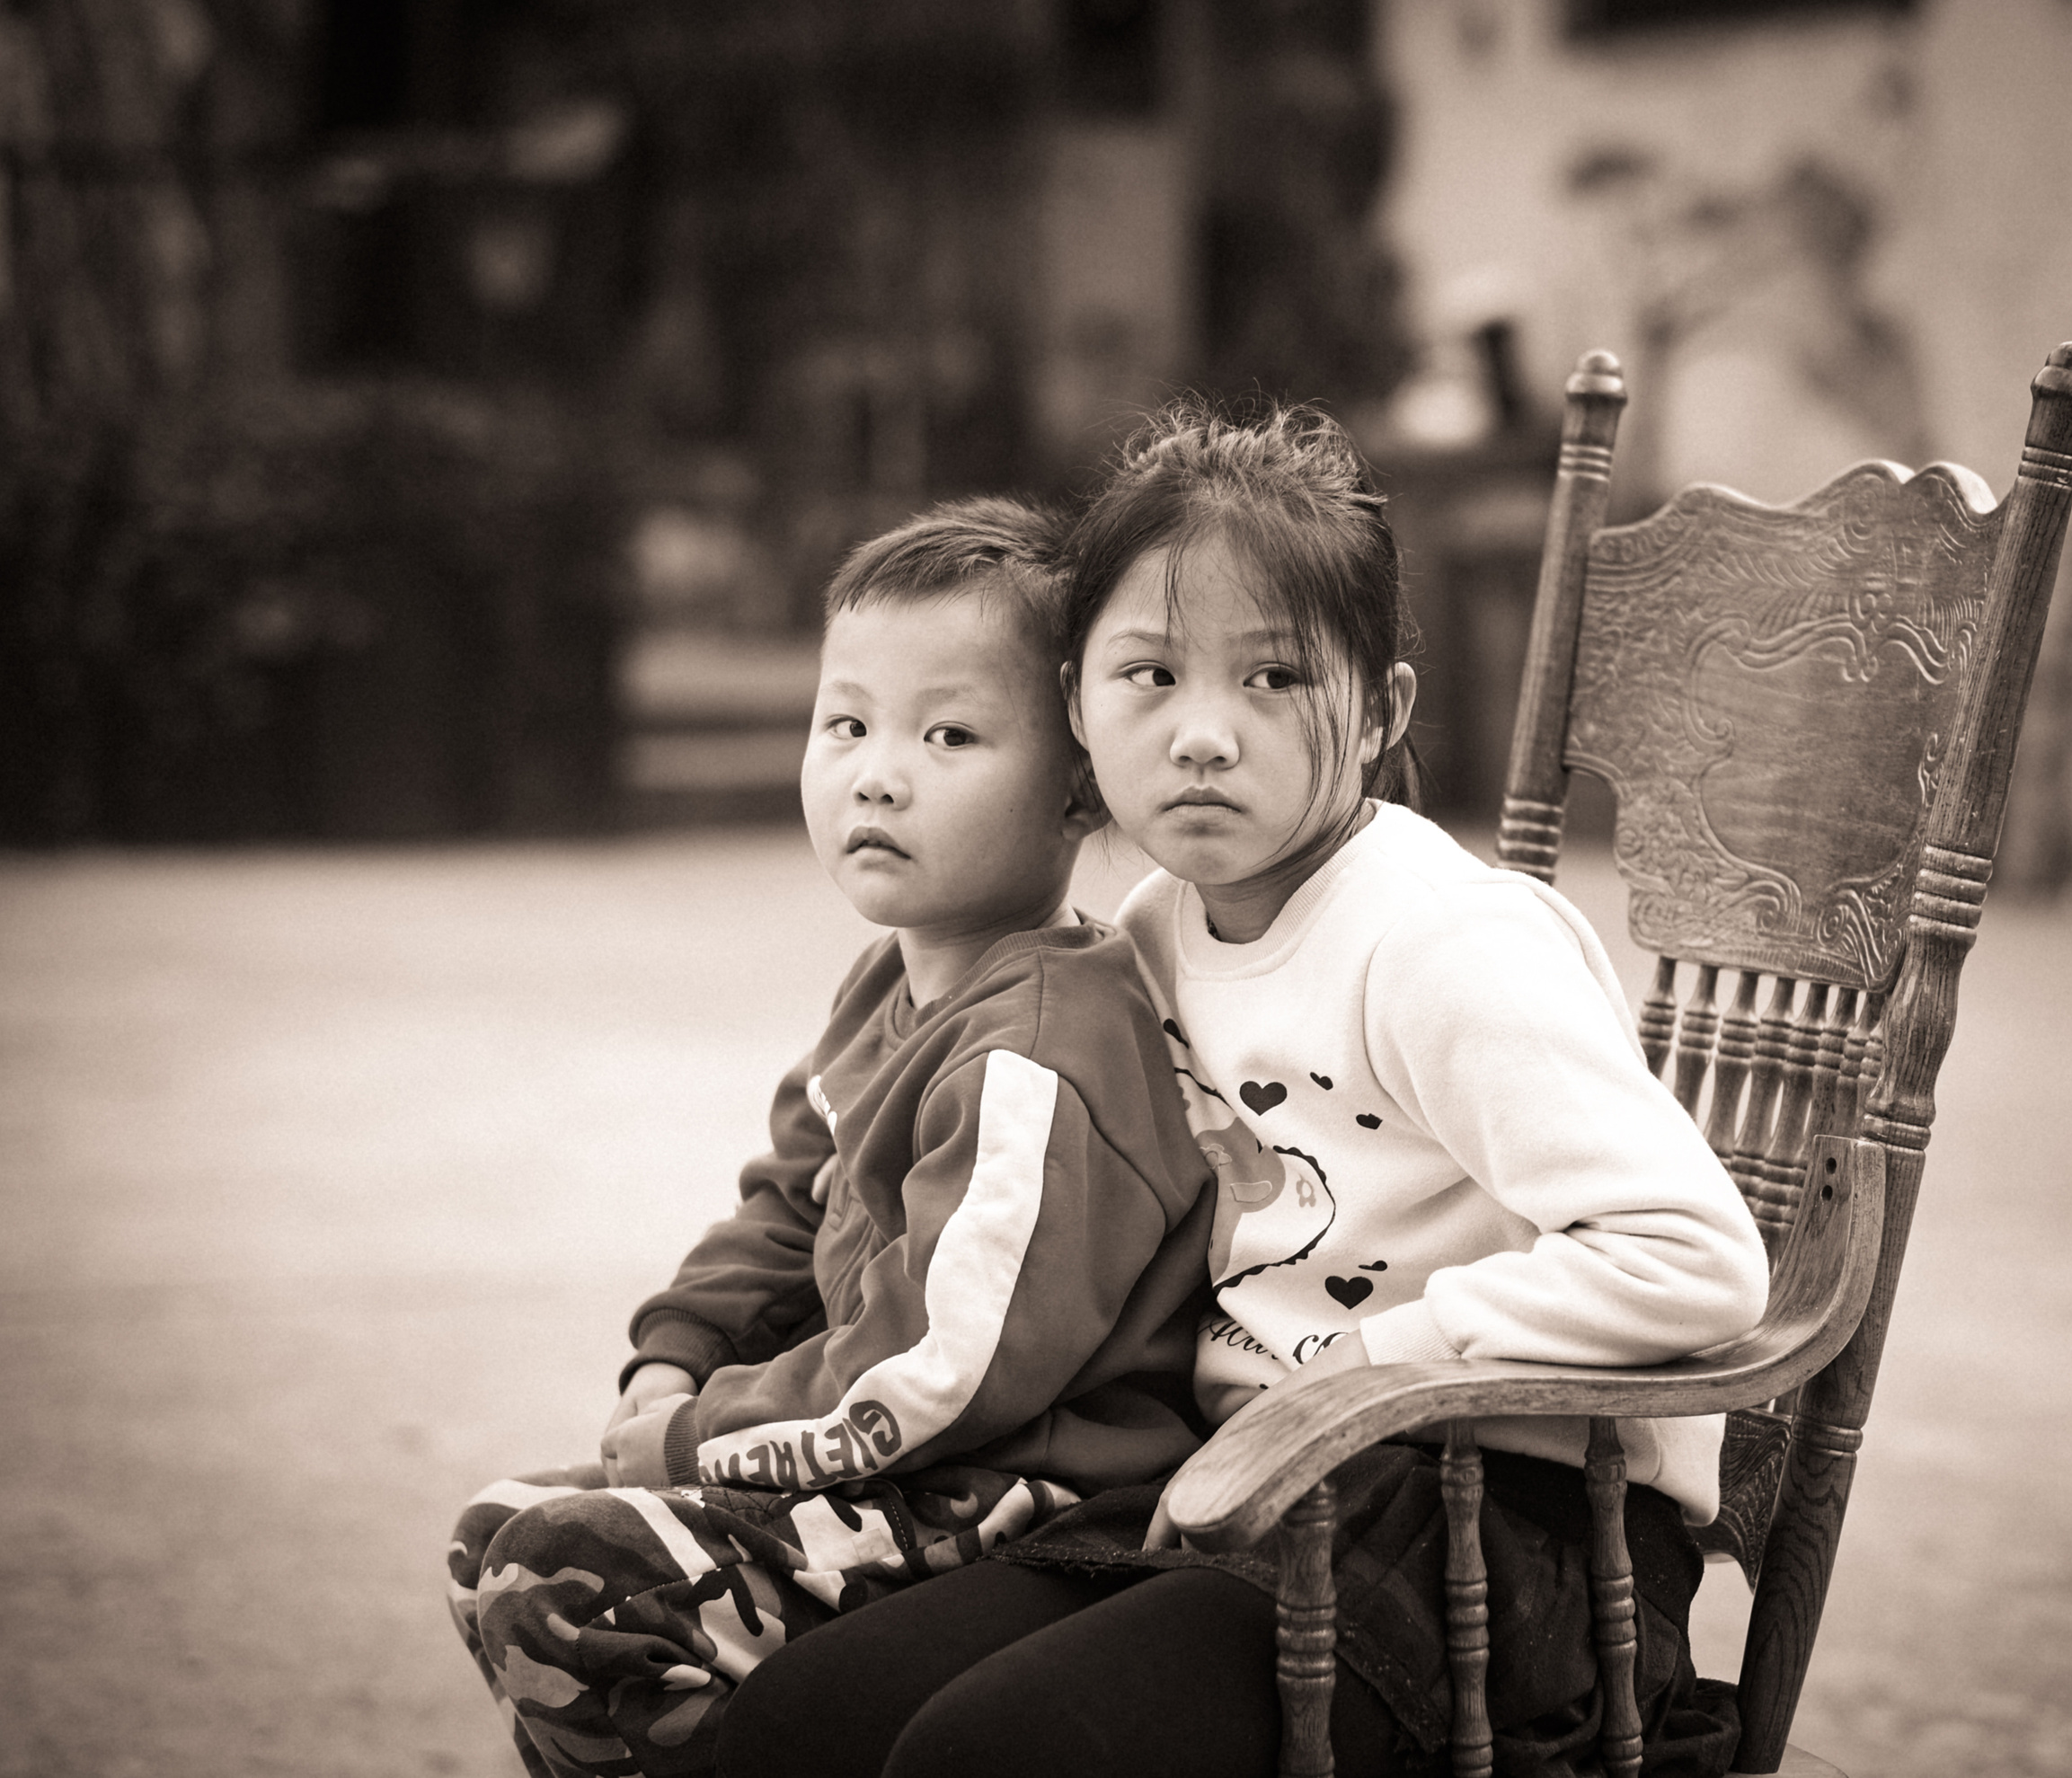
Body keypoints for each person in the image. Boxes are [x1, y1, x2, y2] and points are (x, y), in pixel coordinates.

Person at [714, 403, 1772, 1778]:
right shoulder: (1154, 932)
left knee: (992, 1754)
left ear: (1383, 711)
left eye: (1275, 679)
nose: (1204, 734)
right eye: (1148, 676)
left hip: (1495, 1519)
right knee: (802, 1720)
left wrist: (1364, 1374)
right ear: (1075, 712)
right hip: (1244, 1490)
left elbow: (1696, 1261)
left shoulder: (1443, 942)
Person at [445, 496, 1218, 1778]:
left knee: (562, 1576)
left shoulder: (1041, 1043)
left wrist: (700, 1440)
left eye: (949, 734)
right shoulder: (889, 987)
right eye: (847, 723)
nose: (877, 770)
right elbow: (787, 1203)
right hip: (885, 1463)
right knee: (504, 1534)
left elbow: (944, 1363)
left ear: (1081, 782)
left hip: (1016, 1497)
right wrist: (675, 1354)